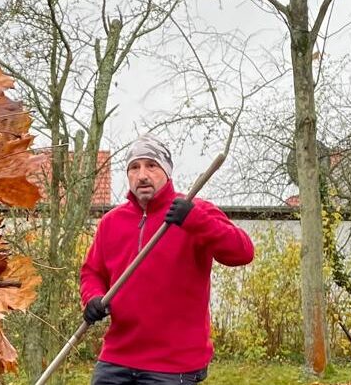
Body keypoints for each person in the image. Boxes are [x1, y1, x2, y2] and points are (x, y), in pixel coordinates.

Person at [79, 135, 254, 384]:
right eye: (134, 167)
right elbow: (92, 272)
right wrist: (93, 297)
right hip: (117, 358)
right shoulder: (111, 222)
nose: (142, 175)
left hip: (174, 364)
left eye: (151, 165)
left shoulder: (194, 209)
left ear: (167, 171)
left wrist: (195, 221)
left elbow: (243, 252)